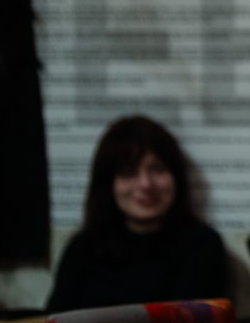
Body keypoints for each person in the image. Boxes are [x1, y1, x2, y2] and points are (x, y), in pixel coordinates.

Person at [46, 114, 229, 312]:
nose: (145, 184)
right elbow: (56, 321)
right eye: (129, 172)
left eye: (157, 169)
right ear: (108, 183)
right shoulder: (83, 248)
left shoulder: (202, 245)